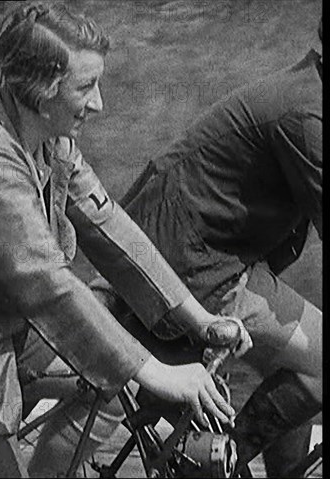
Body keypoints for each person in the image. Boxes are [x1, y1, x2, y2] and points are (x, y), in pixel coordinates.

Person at [0, 3, 249, 477]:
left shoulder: (50, 140)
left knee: (116, 381)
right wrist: (157, 372)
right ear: (42, 89)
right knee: (127, 369)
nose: (99, 103)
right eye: (86, 87)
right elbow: (47, 285)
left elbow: (108, 226)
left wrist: (198, 320)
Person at [92, 16, 323, 478]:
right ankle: (216, 458)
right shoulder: (307, 115)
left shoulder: (304, 92)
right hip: (195, 268)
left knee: (298, 358)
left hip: (181, 253)